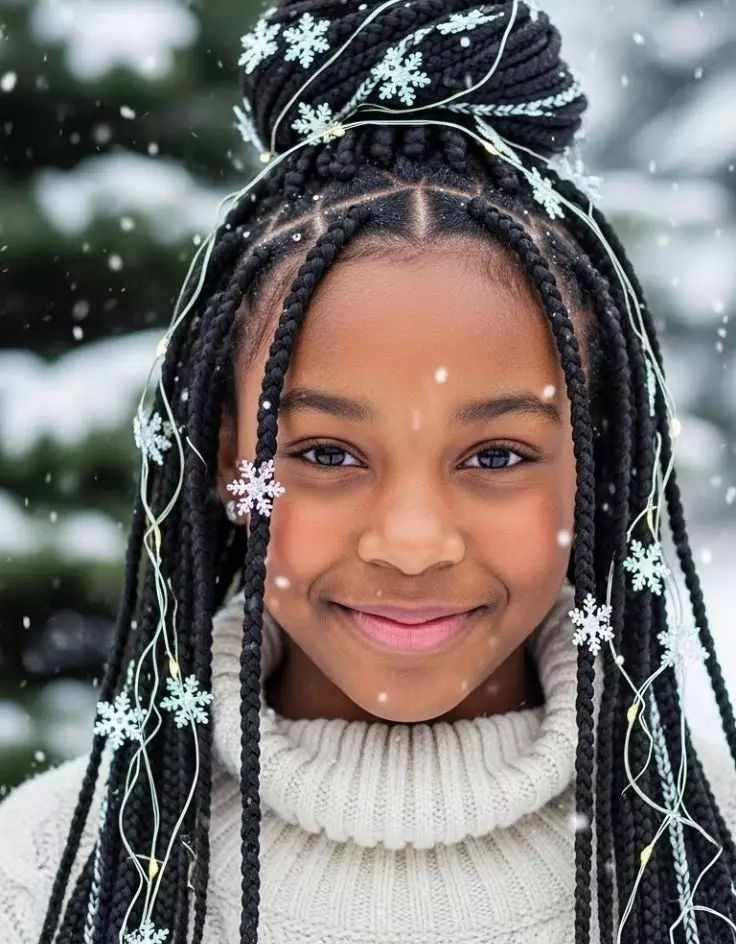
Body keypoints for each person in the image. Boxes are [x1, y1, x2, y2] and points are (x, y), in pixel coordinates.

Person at [2, 1, 735, 942]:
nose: (414, 542)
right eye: (328, 454)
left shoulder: (701, 860)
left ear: (594, 463)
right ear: (228, 460)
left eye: (497, 455)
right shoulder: (47, 874)